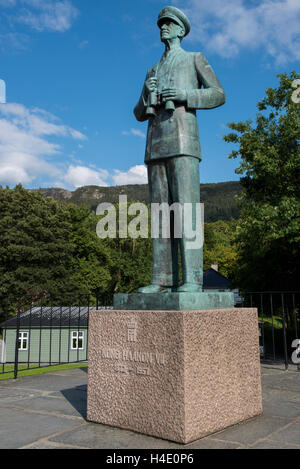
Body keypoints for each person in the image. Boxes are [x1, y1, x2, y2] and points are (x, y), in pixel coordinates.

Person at [134, 6, 225, 293]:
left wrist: (185, 95)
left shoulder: (194, 59)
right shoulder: (153, 69)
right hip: (155, 145)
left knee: (186, 212)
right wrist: (147, 95)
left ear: (181, 30)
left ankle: (193, 279)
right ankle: (162, 279)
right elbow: (138, 112)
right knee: (162, 213)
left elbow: (219, 94)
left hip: (184, 142)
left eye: (169, 23)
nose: (163, 27)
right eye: (161, 23)